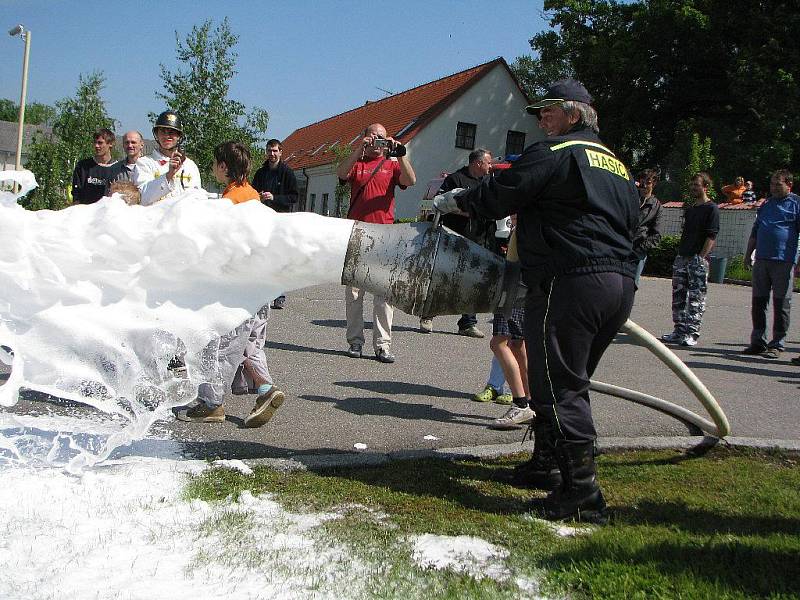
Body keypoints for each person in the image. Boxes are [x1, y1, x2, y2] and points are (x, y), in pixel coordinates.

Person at [435, 78, 639, 523]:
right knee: (564, 378)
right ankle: (547, 465)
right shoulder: (618, 166)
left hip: (571, 280)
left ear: (574, 114)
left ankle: (582, 496)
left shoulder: (554, 152)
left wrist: (455, 199)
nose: (541, 118)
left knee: (559, 385)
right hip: (617, 284)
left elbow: (500, 195)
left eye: (549, 110)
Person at [178, 141, 285, 427]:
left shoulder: (232, 201)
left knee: (221, 345)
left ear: (224, 166)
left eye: (215, 163)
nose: (213, 167)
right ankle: (266, 389)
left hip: (238, 289)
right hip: (261, 285)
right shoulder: (251, 194)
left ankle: (212, 404)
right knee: (250, 344)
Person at [335, 123, 416, 363]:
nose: (377, 143)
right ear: (365, 138)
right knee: (354, 293)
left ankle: (382, 345)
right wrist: (359, 148)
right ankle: (355, 342)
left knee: (384, 295)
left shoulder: (391, 166)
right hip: (357, 234)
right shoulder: (357, 164)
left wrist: (401, 155)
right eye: (373, 138)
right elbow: (341, 174)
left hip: (385, 237)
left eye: (382, 138)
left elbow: (410, 180)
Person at [419, 149, 494, 338]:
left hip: (479, 238)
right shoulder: (455, 180)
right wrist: (468, 212)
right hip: (454, 238)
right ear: (478, 163)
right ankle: (428, 315)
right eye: (488, 163)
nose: (490, 166)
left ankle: (467, 323)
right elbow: (440, 204)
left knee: (474, 281)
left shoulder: (488, 182)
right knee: (442, 278)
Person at [741, 170, 800, 359]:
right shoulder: (766, 204)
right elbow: (756, 231)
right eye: (772, 184)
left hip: (784, 260)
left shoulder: (796, 204)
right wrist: (748, 254)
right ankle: (758, 341)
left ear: (789, 184)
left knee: (781, 303)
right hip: (762, 259)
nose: (774, 187)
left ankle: (777, 344)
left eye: (778, 184)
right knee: (759, 302)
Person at [661, 173, 720, 347]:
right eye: (692, 184)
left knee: (696, 298)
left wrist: (700, 258)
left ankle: (692, 333)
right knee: (678, 296)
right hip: (682, 256)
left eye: (697, 185)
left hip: (698, 260)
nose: (694, 187)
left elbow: (711, 236)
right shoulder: (691, 208)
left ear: (705, 187)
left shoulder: (711, 209)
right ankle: (679, 331)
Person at [252, 139, 299, 310]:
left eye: (275, 151)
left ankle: (279, 295)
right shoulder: (261, 173)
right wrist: (259, 195)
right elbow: (252, 193)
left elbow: (294, 197)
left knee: (279, 258)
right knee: (263, 257)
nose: (271, 154)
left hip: (280, 220)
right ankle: (263, 292)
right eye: (269, 151)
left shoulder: (287, 172)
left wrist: (275, 198)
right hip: (263, 219)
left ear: (281, 152)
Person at [134, 110, 202, 205]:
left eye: (172, 132)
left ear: (179, 136)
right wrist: (169, 175)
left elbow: (198, 198)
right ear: (156, 134)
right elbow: (142, 198)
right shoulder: (144, 163)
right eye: (162, 131)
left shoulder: (190, 165)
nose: (167, 136)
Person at [71, 128, 126, 204]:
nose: (96, 146)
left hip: (107, 213)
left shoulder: (119, 169)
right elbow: (76, 194)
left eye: (100, 143)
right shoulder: (83, 166)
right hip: (86, 212)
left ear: (110, 144)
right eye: (95, 142)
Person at [632, 169, 662, 285]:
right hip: (622, 247)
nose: (644, 185)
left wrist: (640, 248)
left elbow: (657, 235)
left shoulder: (657, 206)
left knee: (632, 285)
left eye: (648, 182)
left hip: (638, 252)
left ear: (653, 184)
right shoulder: (631, 198)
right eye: (642, 181)